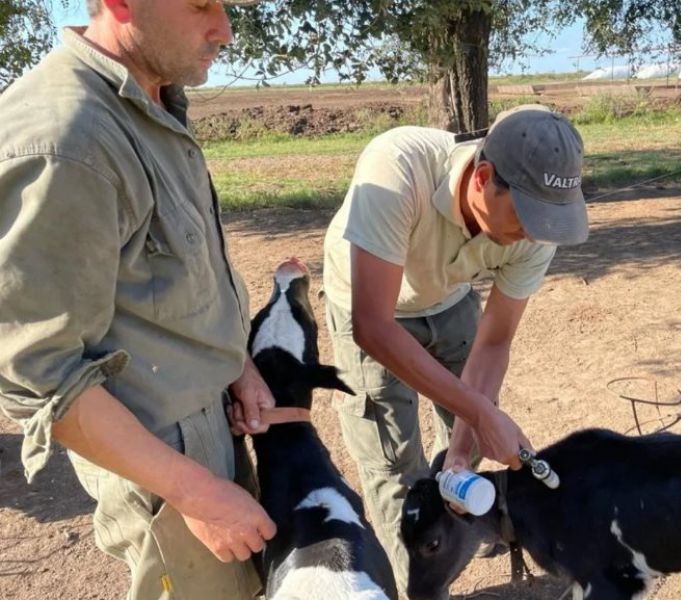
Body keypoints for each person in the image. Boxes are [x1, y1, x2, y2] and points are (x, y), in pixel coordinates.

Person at [0, 1, 277, 598]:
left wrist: (238, 364)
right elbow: (39, 377)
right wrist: (193, 493)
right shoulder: (66, 141)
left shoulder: (152, 97)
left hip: (206, 425)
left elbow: (178, 277)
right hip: (160, 454)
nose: (225, 29)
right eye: (202, 4)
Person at [321, 103, 588, 590]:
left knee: (465, 439)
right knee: (394, 463)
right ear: (483, 177)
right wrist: (482, 414)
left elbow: (495, 340)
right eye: (527, 217)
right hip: (370, 303)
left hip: (447, 296)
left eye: (547, 221)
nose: (533, 234)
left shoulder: (535, 231)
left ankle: (457, 530)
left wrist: (464, 447)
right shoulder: (398, 169)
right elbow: (373, 326)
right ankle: (415, 586)